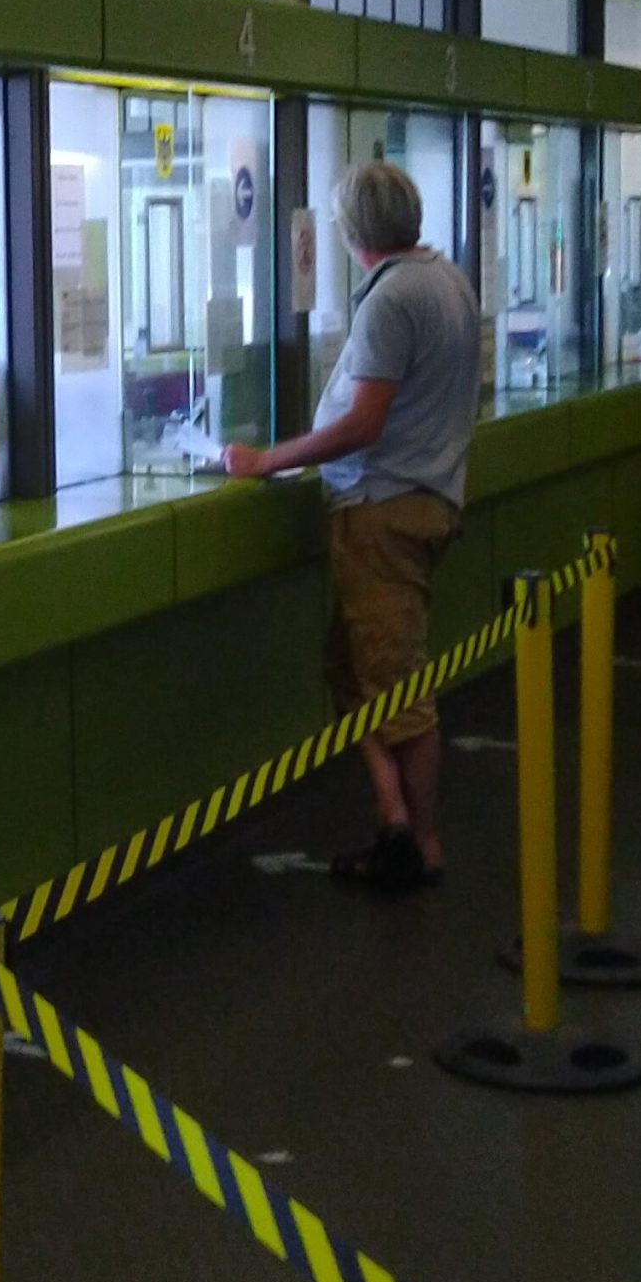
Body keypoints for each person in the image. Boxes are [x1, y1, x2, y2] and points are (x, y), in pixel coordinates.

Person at [222, 160, 481, 897]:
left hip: (384, 510)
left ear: (350, 231)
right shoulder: (449, 281)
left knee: (399, 689)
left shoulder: (391, 300)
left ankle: (421, 846)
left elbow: (362, 423)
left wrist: (269, 460)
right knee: (349, 671)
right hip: (425, 498)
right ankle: (394, 820)